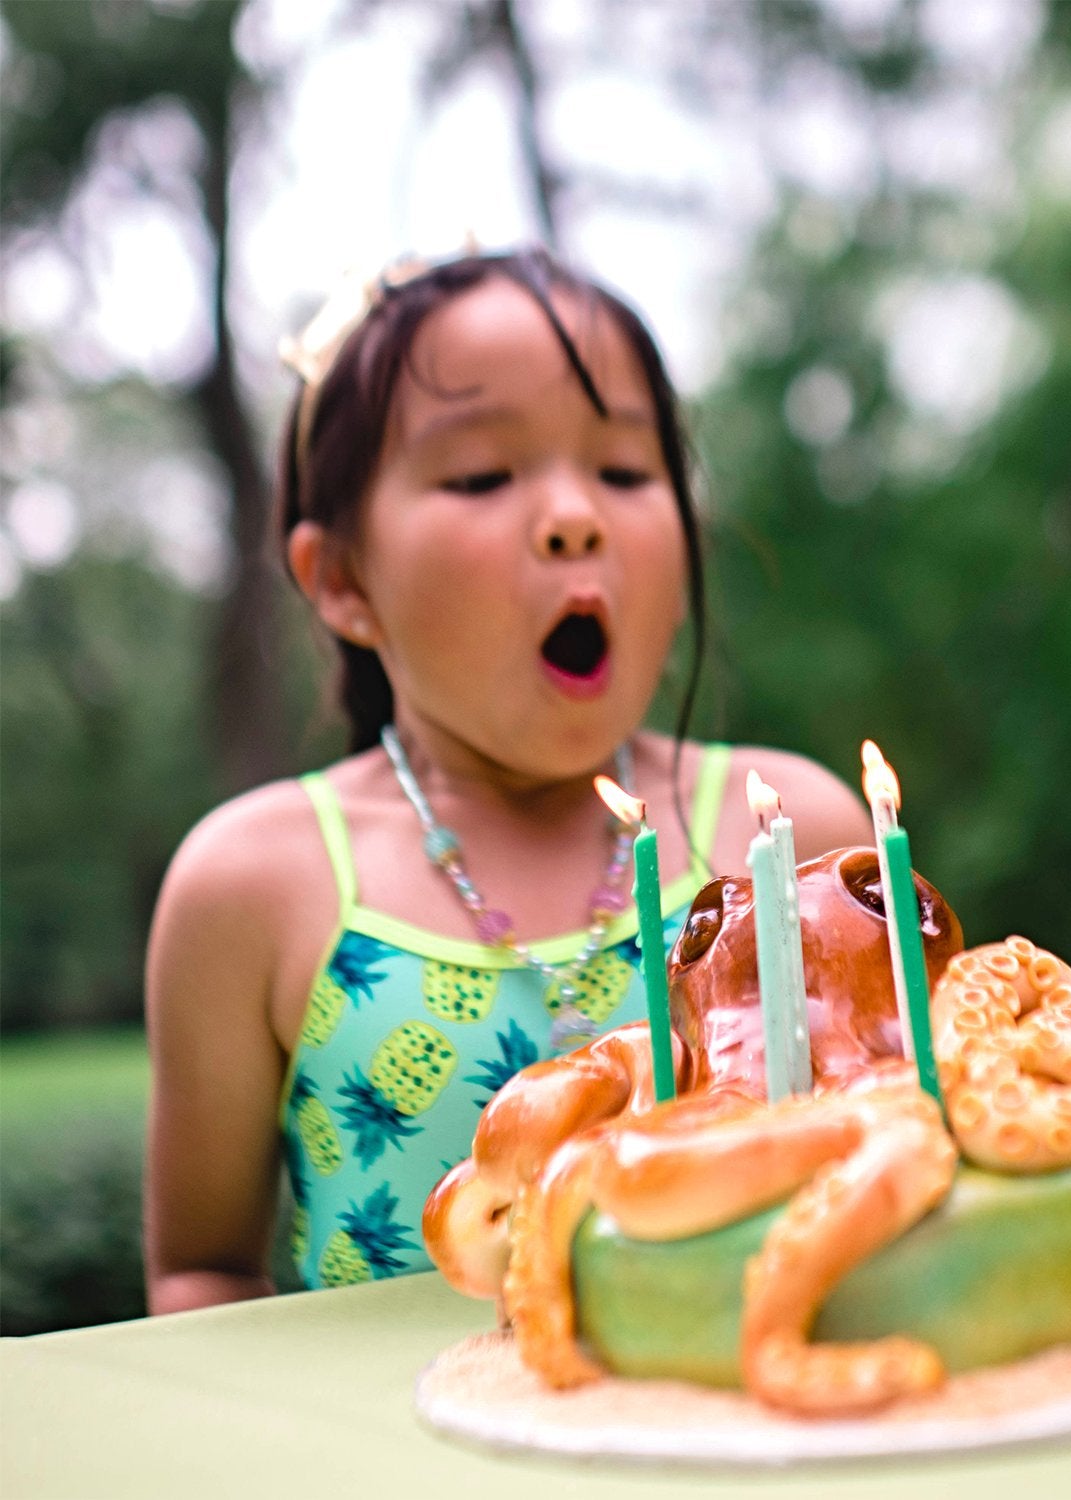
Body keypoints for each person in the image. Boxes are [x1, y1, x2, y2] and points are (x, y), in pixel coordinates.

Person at [144, 246, 872, 1313]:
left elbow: (897, 1154)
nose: (576, 517)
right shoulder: (249, 888)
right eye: (484, 476)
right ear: (342, 581)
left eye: (625, 472)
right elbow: (200, 1271)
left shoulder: (789, 841)